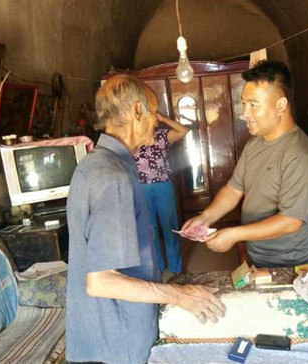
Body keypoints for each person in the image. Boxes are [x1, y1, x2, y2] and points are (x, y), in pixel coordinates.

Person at [66, 75, 225, 364]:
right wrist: (179, 295)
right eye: (152, 111)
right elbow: (101, 282)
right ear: (137, 111)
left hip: (104, 325)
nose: (155, 120)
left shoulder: (94, 164)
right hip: (121, 331)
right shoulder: (113, 178)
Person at [182, 60, 308, 268]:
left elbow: (291, 221)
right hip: (256, 253)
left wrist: (234, 234)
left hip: (287, 262)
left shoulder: (300, 155)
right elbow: (234, 189)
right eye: (244, 103)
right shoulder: (254, 144)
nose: (244, 113)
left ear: (281, 105)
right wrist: (205, 217)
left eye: (253, 104)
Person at [134, 113, 189, 275]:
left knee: (170, 227)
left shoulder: (161, 136)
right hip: (141, 188)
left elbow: (184, 131)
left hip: (163, 186)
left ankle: (176, 269)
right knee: (149, 230)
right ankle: (157, 267)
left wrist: (163, 118)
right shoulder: (132, 139)